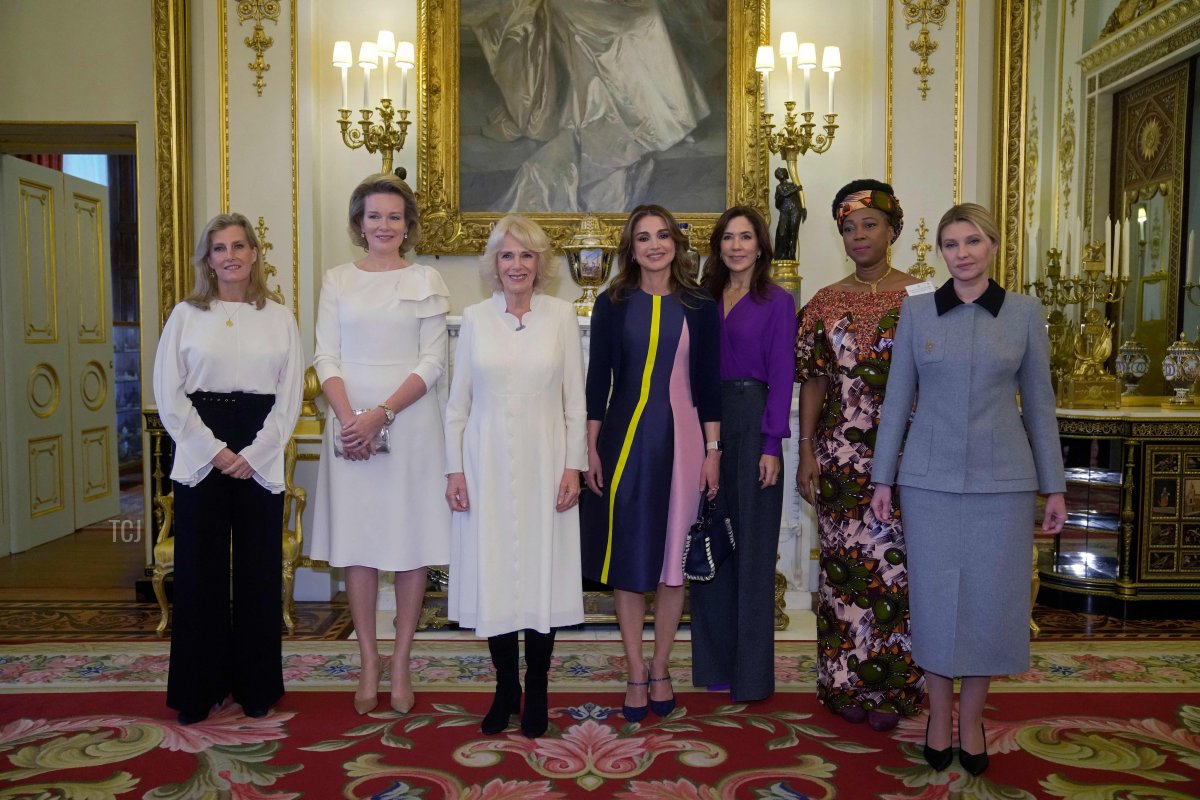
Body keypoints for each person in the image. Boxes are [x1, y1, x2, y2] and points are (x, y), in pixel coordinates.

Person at [870, 203, 1067, 776]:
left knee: (988, 603)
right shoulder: (918, 314)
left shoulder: (1026, 314)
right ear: (942, 253)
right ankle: (937, 716)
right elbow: (894, 404)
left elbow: (1041, 408)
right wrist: (883, 477)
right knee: (934, 601)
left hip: (1003, 484)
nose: (961, 253)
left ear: (993, 246)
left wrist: (1053, 487)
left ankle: (973, 718)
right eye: (951, 244)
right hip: (927, 482)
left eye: (972, 241)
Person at [152, 212, 303, 724]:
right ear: (208, 259)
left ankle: (256, 686)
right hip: (200, 444)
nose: (231, 256)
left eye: (240, 246)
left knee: (259, 571)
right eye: (220, 248)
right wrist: (212, 450)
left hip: (259, 446)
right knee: (200, 572)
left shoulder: (280, 317)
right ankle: (201, 688)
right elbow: (167, 391)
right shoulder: (186, 315)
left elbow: (290, 398)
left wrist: (254, 454)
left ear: (256, 254)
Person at [310, 172, 452, 716]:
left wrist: (382, 415)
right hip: (349, 426)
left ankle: (401, 660)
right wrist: (352, 420)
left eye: (394, 216)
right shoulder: (338, 280)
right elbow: (326, 356)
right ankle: (369, 658)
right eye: (374, 216)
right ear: (359, 223)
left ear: (408, 224)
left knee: (410, 543)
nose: (384, 225)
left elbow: (434, 362)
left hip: (410, 424)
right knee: (362, 544)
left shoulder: (427, 279)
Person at [444, 214, 587, 739]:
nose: (517, 265)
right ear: (494, 264)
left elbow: (576, 401)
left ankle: (539, 686)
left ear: (541, 264)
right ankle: (506, 687)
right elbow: (456, 405)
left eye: (527, 255)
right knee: (496, 573)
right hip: (483, 465)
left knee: (541, 574)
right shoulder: (475, 318)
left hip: (547, 463)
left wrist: (574, 465)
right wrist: (453, 469)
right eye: (507, 255)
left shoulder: (561, 315)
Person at [794, 179, 927, 731]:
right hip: (840, 463)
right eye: (848, 228)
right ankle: (845, 682)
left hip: (907, 459)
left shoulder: (924, 297)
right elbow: (814, 381)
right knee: (844, 574)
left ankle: (895, 690)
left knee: (898, 575)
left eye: (869, 224)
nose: (858, 236)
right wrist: (805, 451)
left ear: (893, 228)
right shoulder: (824, 302)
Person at [581, 204, 721, 722]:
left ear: (676, 244)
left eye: (663, 235)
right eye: (643, 238)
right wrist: (591, 447)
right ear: (631, 248)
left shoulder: (701, 305)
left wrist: (713, 452)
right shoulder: (612, 302)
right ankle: (635, 668)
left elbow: (708, 385)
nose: (655, 245)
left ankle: (661, 667)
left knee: (671, 561)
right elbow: (599, 381)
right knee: (629, 559)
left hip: (685, 444)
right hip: (625, 442)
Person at [690, 206, 796, 702]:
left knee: (752, 550)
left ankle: (752, 677)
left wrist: (772, 443)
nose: (736, 246)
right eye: (728, 237)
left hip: (755, 424)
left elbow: (782, 374)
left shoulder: (777, 300)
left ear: (760, 246)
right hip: (705, 425)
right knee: (712, 540)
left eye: (746, 237)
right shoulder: (702, 299)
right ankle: (715, 665)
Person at [773, 167, 804, 261]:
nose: (780, 174)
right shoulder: (779, 187)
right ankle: (782, 254)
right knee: (782, 232)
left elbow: (799, 198)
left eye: (781, 172)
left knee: (793, 233)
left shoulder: (793, 185)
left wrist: (803, 209)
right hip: (784, 211)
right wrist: (796, 189)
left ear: (785, 174)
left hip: (795, 210)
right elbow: (784, 194)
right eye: (778, 173)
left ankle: (791, 255)